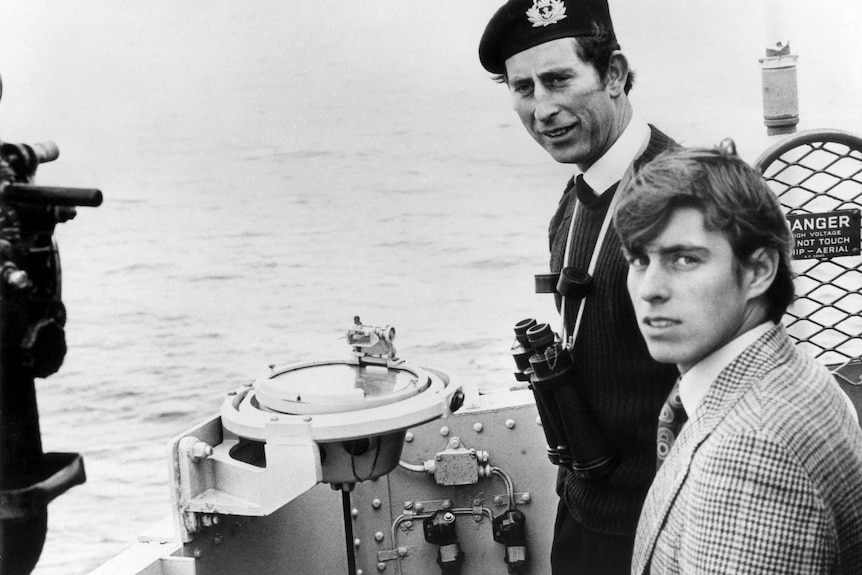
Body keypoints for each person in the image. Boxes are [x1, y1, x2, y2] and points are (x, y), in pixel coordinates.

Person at [478, 1, 680, 572]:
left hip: (656, 524)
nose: (543, 108)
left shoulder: (681, 197)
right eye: (524, 88)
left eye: (559, 79)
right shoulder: (578, 194)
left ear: (613, 74)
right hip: (585, 505)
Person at [614, 145, 862, 574]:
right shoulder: (797, 372)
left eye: (684, 259)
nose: (650, 288)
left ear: (759, 271)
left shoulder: (751, 452)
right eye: (639, 259)